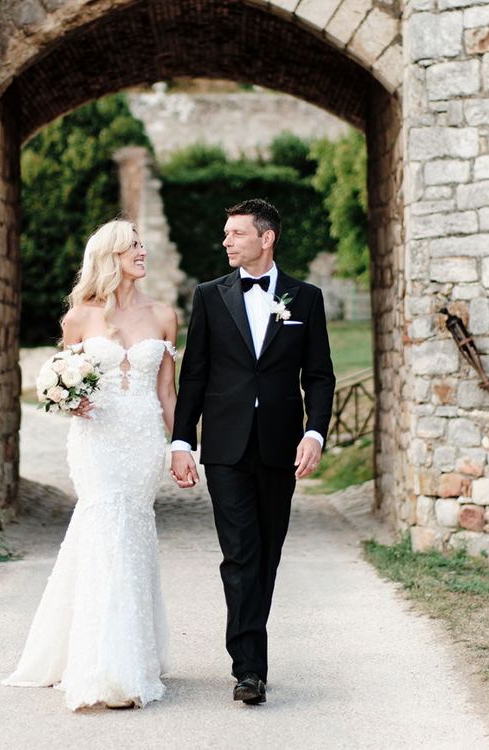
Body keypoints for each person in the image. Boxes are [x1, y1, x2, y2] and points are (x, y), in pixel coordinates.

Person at [3, 219, 178, 711]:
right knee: (105, 529)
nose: (143, 252)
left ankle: (132, 654)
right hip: (96, 440)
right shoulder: (79, 319)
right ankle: (105, 666)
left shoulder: (164, 315)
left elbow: (167, 390)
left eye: (143, 244)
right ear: (110, 256)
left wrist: (184, 446)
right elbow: (62, 380)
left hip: (143, 439)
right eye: (134, 246)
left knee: (132, 533)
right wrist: (67, 402)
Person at [170, 198, 335, 705]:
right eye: (225, 232)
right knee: (240, 553)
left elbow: (320, 375)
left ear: (266, 238)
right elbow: (193, 373)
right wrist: (181, 440)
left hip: (280, 447)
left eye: (236, 233)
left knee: (267, 554)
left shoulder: (304, 298)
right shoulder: (209, 296)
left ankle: (251, 654)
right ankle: (249, 668)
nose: (226, 241)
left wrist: (315, 434)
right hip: (224, 446)